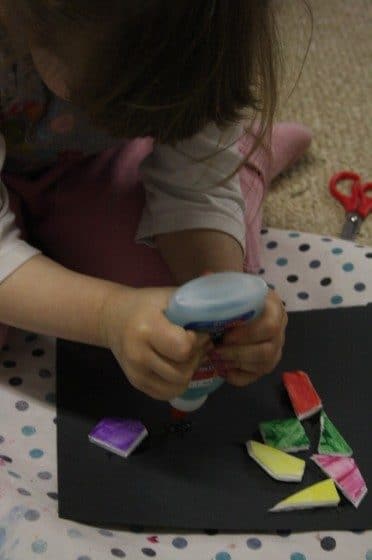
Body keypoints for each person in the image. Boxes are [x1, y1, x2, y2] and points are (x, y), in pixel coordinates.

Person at [0, 1, 311, 401]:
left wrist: (221, 295)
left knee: (168, 319)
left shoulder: (206, 29)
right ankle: (244, 156)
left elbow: (196, 189)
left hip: (88, 168)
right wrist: (108, 315)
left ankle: (240, 156)